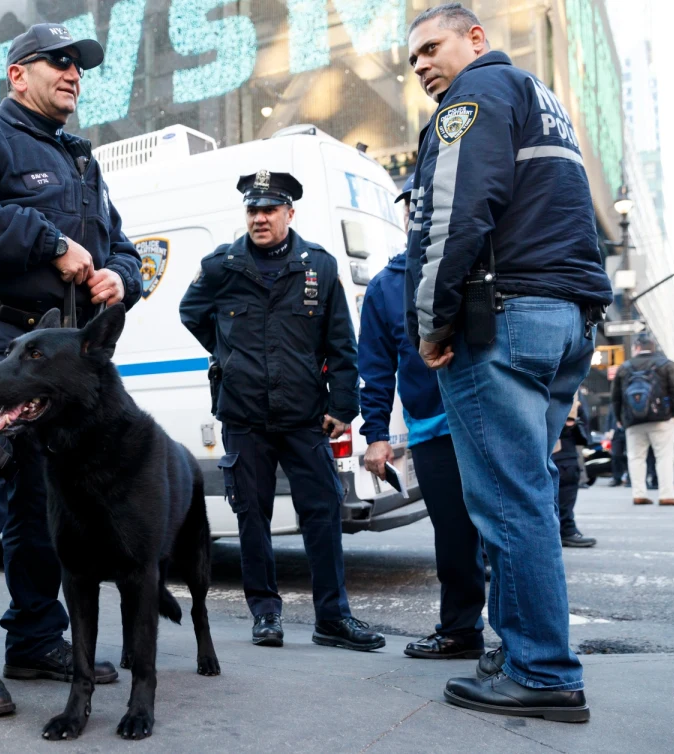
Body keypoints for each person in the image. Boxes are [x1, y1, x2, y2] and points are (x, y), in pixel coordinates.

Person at [0, 23, 143, 717]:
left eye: (80, 66)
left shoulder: (82, 161)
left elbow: (124, 248)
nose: (74, 74)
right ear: (18, 74)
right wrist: (50, 243)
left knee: (45, 509)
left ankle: (36, 639)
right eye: (60, 62)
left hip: (55, 371)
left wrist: (118, 277)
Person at [404, 3, 612, 722]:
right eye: (414, 59)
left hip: (504, 322)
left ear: (476, 39)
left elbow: (457, 212)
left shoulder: (475, 96)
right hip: (565, 319)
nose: (424, 64)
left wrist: (431, 325)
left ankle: (542, 672)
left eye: (433, 47)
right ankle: (517, 649)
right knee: (524, 490)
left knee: (508, 500)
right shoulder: (540, 100)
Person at [179, 169, 384, 653]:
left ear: (290, 213)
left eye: (270, 209)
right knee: (253, 516)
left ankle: (332, 618)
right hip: (244, 417)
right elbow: (192, 313)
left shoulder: (321, 267)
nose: (260, 218)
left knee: (324, 512)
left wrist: (343, 404)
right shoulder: (221, 267)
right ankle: (265, 614)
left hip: (304, 416)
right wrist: (227, 352)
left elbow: (342, 343)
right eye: (253, 210)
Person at [358, 175, 486, 660]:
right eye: (412, 206)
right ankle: (461, 631)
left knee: (506, 531)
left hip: (486, 420)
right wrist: (375, 436)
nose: (418, 213)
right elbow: (374, 370)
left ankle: (524, 642)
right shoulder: (386, 289)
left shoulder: (480, 265)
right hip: (434, 431)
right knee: (454, 537)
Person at [610, 334, 674, 506]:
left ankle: (639, 493)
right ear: (653, 347)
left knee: (636, 457)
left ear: (637, 347)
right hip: (662, 419)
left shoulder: (625, 367)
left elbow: (615, 397)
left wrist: (619, 418)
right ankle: (666, 494)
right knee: (664, 456)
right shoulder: (666, 365)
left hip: (633, 420)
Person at [553, 394, 597, 547]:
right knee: (565, 472)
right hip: (558, 415)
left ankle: (562, 527)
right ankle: (565, 528)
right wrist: (570, 416)